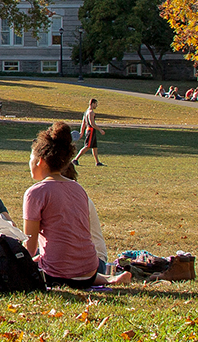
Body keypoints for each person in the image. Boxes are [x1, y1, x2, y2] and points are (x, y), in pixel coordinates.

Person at [21, 122, 131, 289]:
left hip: (56, 275)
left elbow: (30, 246)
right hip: (89, 271)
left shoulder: (35, 193)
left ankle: (106, 279)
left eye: (30, 158)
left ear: (40, 161)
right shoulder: (78, 188)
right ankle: (108, 279)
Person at [78, 99, 104, 166]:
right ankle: (75, 159)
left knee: (94, 147)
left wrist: (81, 132)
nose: (96, 106)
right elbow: (92, 123)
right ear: (93, 104)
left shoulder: (86, 112)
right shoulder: (91, 112)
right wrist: (100, 130)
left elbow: (83, 123)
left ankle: (97, 162)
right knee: (87, 146)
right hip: (91, 130)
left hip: (89, 130)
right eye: (96, 104)